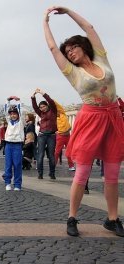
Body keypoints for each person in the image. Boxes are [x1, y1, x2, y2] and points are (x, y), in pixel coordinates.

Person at [44, 6, 124, 237]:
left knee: (111, 173)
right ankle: (72, 217)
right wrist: (45, 22)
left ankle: (112, 219)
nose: (70, 53)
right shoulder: (72, 71)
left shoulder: (101, 57)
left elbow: (89, 27)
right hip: (91, 119)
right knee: (82, 172)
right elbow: (52, 47)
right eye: (67, 52)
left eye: (73, 48)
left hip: (113, 118)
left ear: (83, 46)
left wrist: (68, 11)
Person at [31, 88, 57, 180]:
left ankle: (52, 173)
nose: (42, 108)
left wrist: (42, 93)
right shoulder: (40, 113)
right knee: (40, 155)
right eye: (41, 107)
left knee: (51, 155)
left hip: (51, 135)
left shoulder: (53, 110)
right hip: (41, 135)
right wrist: (33, 97)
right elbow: (34, 107)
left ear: (47, 105)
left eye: (43, 106)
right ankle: (40, 173)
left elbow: (50, 100)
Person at [2, 96, 25, 191]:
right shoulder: (9, 121)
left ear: (18, 115)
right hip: (8, 145)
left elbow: (22, 111)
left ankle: (17, 184)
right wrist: (8, 100)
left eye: (15, 114)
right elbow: (5, 111)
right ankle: (7, 182)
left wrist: (18, 100)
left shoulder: (21, 122)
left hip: (17, 145)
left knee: (17, 164)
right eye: (11, 114)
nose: (13, 115)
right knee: (8, 165)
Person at [54, 100, 75, 171]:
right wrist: (57, 131)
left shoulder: (63, 114)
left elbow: (58, 106)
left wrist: (50, 100)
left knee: (69, 151)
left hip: (68, 135)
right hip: (60, 136)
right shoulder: (54, 118)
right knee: (57, 151)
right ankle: (53, 164)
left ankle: (71, 165)